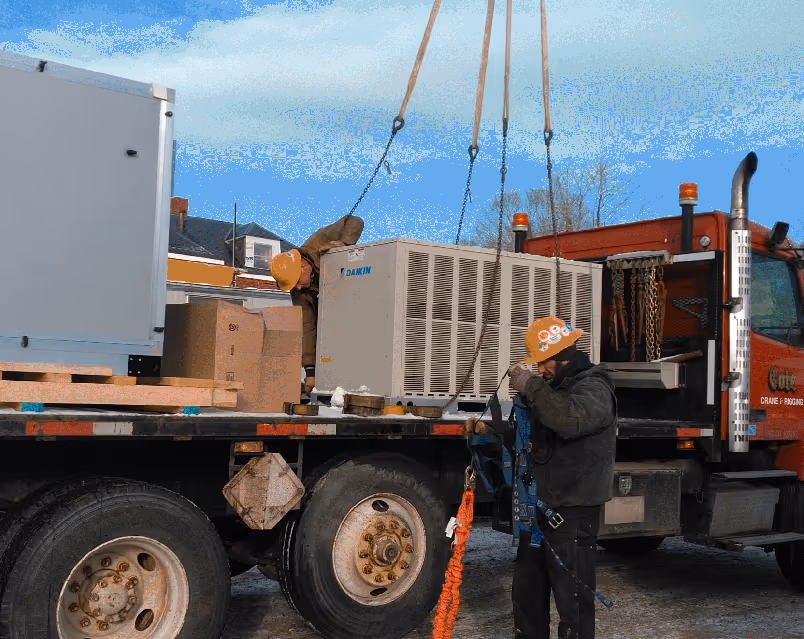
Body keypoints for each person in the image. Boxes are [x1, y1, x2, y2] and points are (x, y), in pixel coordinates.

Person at [506, 315, 617, 639]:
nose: (541, 370)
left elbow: (568, 420)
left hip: (573, 513)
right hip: (541, 510)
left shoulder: (595, 388)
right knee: (526, 593)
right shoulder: (556, 390)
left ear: (563, 356)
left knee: (574, 604)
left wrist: (531, 386)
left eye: (544, 363)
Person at [270, 214, 364, 394]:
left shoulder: (319, 240)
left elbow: (354, 221)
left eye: (297, 281)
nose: (297, 287)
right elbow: (307, 328)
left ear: (303, 266)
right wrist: (310, 371)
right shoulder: (298, 291)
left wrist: (344, 245)